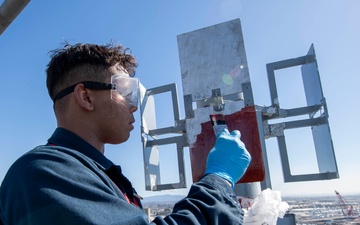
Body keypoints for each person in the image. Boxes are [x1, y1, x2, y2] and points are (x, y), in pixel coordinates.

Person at [0, 43, 251, 225]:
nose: (133, 106)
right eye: (124, 91)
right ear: (86, 97)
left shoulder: (90, 174)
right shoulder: (43, 172)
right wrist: (219, 179)